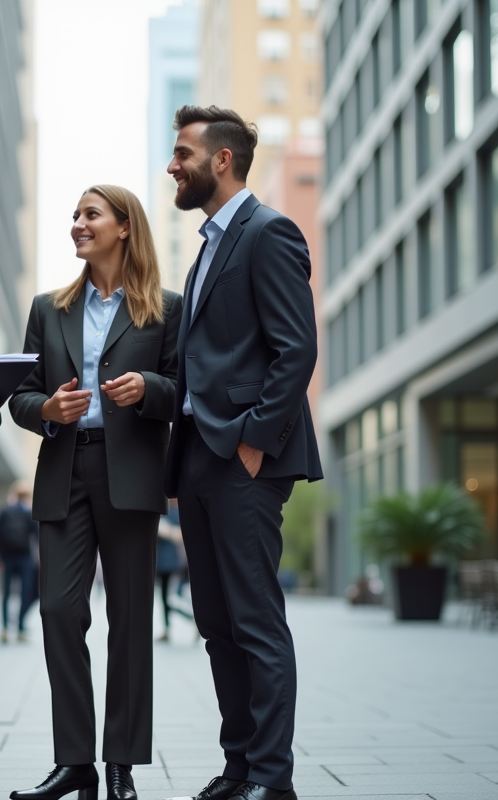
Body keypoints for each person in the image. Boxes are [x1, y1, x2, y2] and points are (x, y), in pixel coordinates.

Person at [164, 105, 322, 800]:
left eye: (182, 153)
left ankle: (272, 779)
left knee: (255, 619)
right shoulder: (206, 247)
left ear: (220, 160)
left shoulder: (268, 232)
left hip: (244, 459)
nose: (172, 165)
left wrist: (256, 441)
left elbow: (297, 349)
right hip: (199, 456)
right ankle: (238, 767)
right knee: (216, 624)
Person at [8, 185, 182, 800]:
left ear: (124, 227)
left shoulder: (165, 308)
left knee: (131, 619)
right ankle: (75, 760)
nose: (77, 224)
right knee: (58, 611)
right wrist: (48, 408)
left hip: (131, 473)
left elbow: (183, 388)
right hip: (66, 470)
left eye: (91, 214)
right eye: (75, 215)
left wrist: (150, 389)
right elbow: (20, 395)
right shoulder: (47, 307)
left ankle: (121, 765)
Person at [0, 482, 38, 643]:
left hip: (7, 557)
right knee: (25, 592)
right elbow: (37, 536)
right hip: (25, 557)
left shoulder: (4, 511)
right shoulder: (28, 512)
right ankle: (20, 627)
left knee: (6, 593)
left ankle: (5, 629)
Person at [155, 500, 183, 642]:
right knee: (166, 597)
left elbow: (179, 535)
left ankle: (191, 619)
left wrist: (168, 531)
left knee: (170, 597)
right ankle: (167, 628)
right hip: (164, 563)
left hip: (170, 564)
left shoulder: (175, 513)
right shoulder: (166, 512)